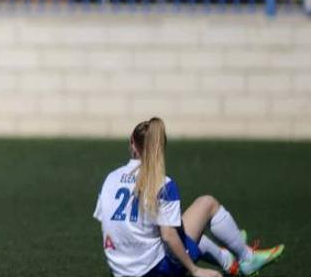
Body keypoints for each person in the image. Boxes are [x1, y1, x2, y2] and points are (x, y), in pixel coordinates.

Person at [94, 117, 284, 277]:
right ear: (161, 148)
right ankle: (245, 256)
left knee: (180, 232)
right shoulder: (163, 183)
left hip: (119, 270)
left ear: (131, 142)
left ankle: (228, 261)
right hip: (155, 271)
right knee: (207, 204)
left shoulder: (110, 178)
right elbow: (169, 235)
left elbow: (108, 224)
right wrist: (195, 270)